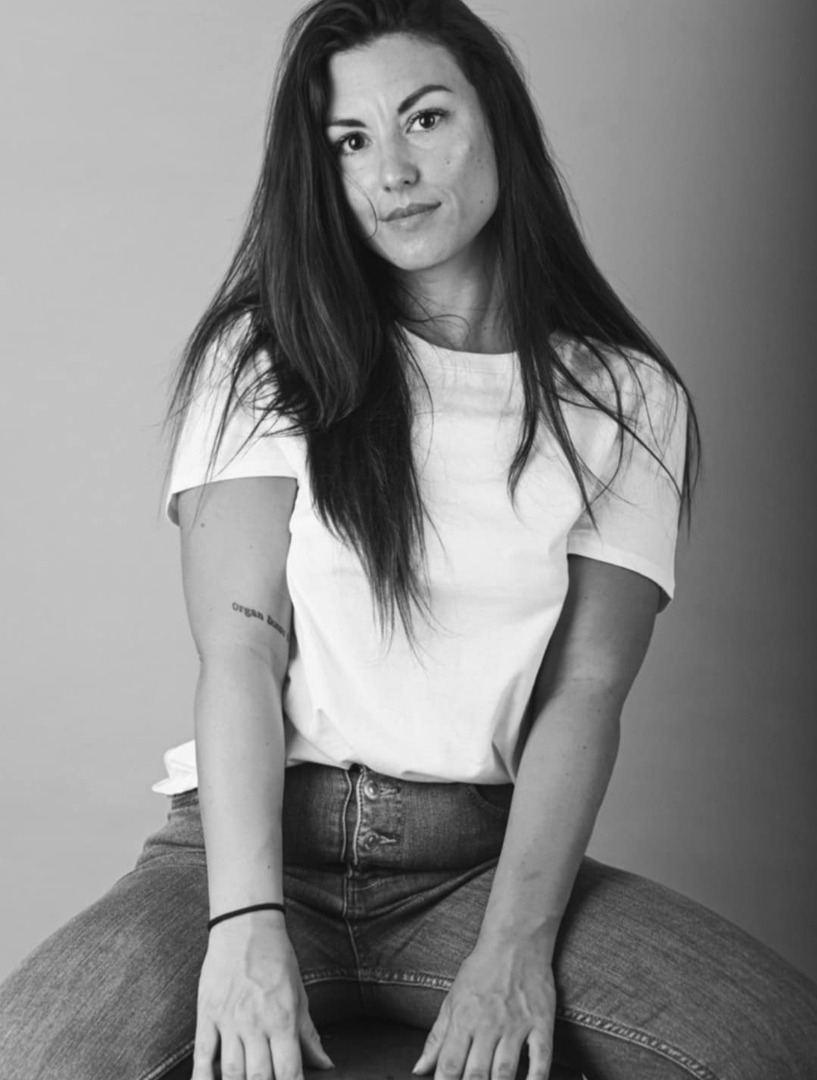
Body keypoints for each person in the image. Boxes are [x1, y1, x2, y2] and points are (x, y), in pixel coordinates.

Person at [2, 0, 816, 1077]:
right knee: (34, 1056)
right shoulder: (263, 357)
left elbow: (584, 693)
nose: (390, 171)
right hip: (254, 848)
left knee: (774, 1041)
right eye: (349, 141)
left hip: (471, 866)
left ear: (497, 122)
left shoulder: (623, 399)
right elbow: (240, 651)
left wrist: (513, 947)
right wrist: (242, 924)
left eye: (424, 119)